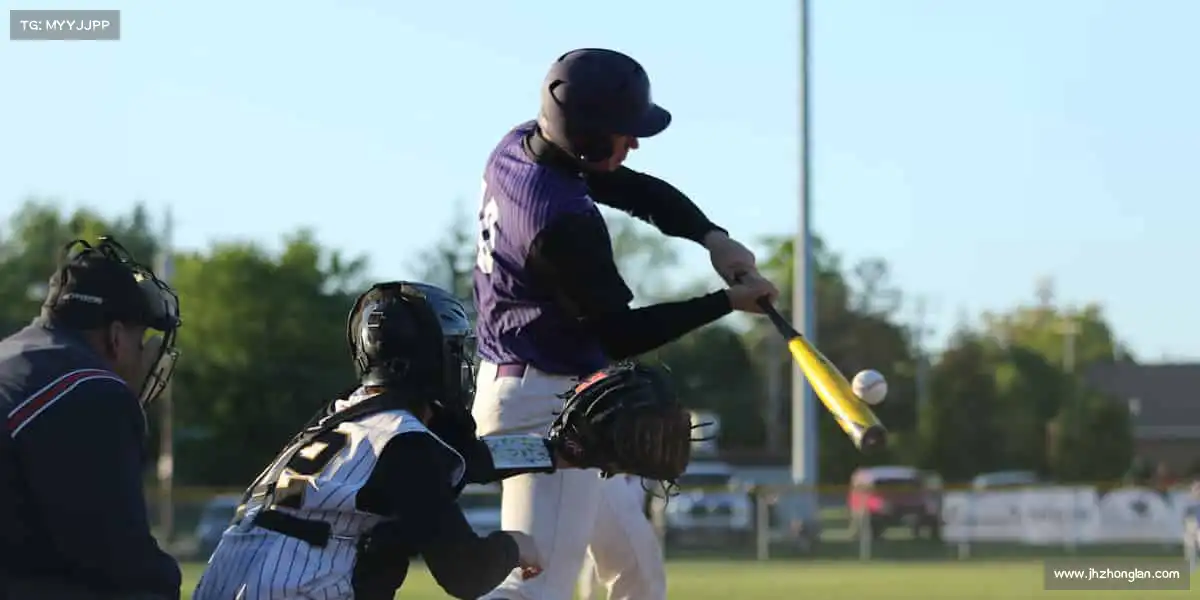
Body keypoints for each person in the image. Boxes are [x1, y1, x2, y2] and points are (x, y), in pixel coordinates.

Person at [471, 47, 779, 600]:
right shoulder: (557, 220)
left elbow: (633, 188)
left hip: (550, 387)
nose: (633, 142)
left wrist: (712, 236)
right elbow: (620, 334)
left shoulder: (523, 146)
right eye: (622, 131)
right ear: (585, 135)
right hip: (543, 405)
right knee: (536, 589)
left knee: (635, 566)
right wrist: (726, 303)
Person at [196, 281, 669, 600]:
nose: (462, 364)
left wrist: (557, 454)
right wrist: (514, 545)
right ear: (428, 361)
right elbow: (464, 573)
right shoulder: (404, 444)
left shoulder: (340, 422)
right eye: (454, 351)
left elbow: (469, 460)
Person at [0, 236, 183, 600]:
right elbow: (124, 563)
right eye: (139, 340)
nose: (141, 355)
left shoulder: (11, 356)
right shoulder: (91, 389)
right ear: (116, 337)